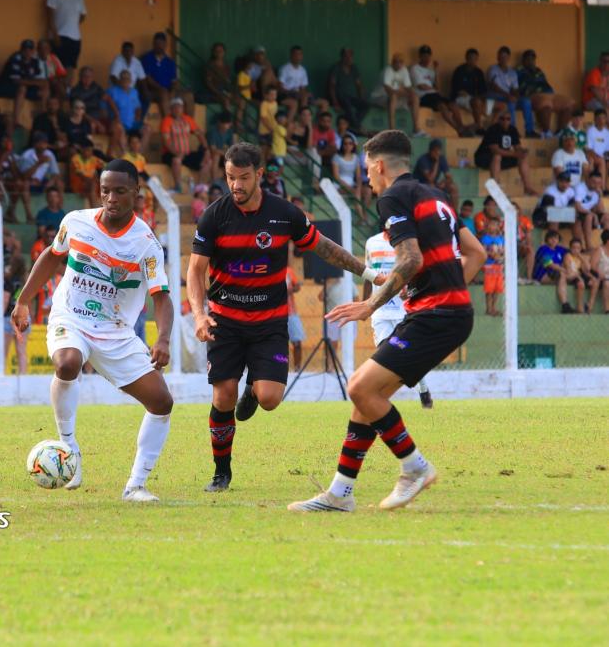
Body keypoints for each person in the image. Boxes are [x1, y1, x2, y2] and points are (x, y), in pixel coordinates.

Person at [289, 130, 486, 513]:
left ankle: (415, 467)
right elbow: (475, 252)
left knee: (360, 387)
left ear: (379, 166)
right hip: (448, 313)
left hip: (436, 315)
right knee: (368, 398)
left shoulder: (392, 196)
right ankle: (340, 494)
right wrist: (449, 288)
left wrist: (370, 305)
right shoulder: (436, 196)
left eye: (367, 169)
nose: (367, 177)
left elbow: (410, 260)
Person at [187, 142, 379, 493]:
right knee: (221, 397)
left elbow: (324, 247)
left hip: (269, 322)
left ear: (260, 175)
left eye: (243, 178)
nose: (236, 186)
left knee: (270, 399)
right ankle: (221, 471)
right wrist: (199, 315)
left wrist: (367, 273)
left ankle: (253, 387)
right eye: (230, 178)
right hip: (225, 322)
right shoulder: (215, 216)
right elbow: (195, 271)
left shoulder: (283, 214)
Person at [11, 159, 175, 502]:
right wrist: (24, 300)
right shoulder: (76, 222)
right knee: (67, 362)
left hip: (116, 332)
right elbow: (52, 257)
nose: (111, 197)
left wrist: (162, 339)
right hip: (71, 316)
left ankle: (135, 486)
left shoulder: (146, 244)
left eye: (119, 190)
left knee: (161, 402)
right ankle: (69, 452)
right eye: (105, 191)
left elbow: (161, 297)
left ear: (136, 193)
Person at [362, 230, 436, 407]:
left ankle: (423, 390)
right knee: (384, 353)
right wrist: (365, 303)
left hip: (404, 310)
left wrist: (410, 292)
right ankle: (381, 396)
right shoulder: (372, 242)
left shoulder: (409, 241)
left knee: (409, 354)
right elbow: (367, 273)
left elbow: (420, 273)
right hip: (380, 310)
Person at [474, 110, 538, 195]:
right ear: (498, 120)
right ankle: (495, 188)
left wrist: (522, 151)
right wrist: (515, 154)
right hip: (484, 157)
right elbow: (495, 150)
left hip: (502, 158)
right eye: (502, 119)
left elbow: (517, 147)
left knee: (522, 157)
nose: (505, 121)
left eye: (508, 119)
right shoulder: (493, 129)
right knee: (497, 156)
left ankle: (527, 187)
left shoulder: (512, 129)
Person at [411, 44, 465, 136]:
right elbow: (421, 86)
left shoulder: (431, 70)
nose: (427, 58)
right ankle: (458, 129)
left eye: (428, 56)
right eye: (424, 56)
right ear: (420, 56)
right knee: (442, 106)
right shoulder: (415, 68)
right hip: (423, 96)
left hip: (435, 95)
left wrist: (436, 70)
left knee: (453, 104)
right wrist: (433, 88)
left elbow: (438, 87)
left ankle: (462, 127)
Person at [46, 0, 86, 86]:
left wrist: (72, 24)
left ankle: (68, 91)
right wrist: (55, 34)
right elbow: (50, 16)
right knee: (58, 67)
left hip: (75, 37)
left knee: (71, 67)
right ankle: (58, 96)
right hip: (60, 36)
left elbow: (83, 15)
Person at [160, 97, 210, 191]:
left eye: (180, 107)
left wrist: (206, 149)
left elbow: (199, 134)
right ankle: (177, 186)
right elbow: (166, 142)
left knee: (207, 161)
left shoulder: (187, 119)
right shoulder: (167, 120)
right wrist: (176, 153)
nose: (178, 109)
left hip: (186, 153)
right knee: (177, 160)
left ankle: (198, 187)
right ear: (171, 109)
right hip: (170, 153)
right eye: (175, 107)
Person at [372, 52, 425, 135]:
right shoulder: (388, 70)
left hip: (395, 99)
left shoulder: (404, 70)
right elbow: (387, 88)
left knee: (415, 97)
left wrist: (412, 95)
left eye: (401, 62)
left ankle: (416, 129)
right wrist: (401, 93)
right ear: (392, 62)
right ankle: (392, 130)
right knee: (393, 96)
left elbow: (408, 87)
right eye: (396, 61)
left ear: (403, 63)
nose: (398, 64)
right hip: (379, 98)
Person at [488, 46, 534, 137]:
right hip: (497, 96)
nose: (502, 59)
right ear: (497, 57)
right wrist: (508, 96)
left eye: (505, 57)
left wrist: (516, 96)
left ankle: (529, 131)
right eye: (500, 56)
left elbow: (515, 89)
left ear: (508, 58)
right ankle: (512, 130)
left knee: (526, 101)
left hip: (508, 96)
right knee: (511, 102)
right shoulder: (493, 69)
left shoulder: (512, 72)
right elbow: (494, 86)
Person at [328, 47, 368, 133]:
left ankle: (352, 125)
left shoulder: (354, 68)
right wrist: (335, 102)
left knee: (365, 105)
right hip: (340, 96)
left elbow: (359, 85)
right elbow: (332, 86)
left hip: (351, 97)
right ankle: (358, 127)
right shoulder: (336, 68)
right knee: (348, 106)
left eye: (351, 56)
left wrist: (361, 98)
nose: (350, 58)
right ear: (342, 57)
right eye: (347, 56)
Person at [450, 48, 489, 133]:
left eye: (475, 59)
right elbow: (456, 89)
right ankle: (478, 127)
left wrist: (482, 100)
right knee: (476, 101)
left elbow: (483, 91)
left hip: (474, 99)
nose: (473, 61)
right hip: (461, 99)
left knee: (500, 106)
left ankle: (477, 126)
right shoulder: (459, 70)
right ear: (466, 58)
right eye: (470, 58)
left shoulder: (479, 72)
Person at [3, 256, 28, 374]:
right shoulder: (26, 282)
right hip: (23, 317)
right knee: (21, 351)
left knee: (4, 351)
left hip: (9, 316)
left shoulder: (9, 280)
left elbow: (6, 299)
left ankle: (1, 373)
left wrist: (0, 316)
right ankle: (23, 377)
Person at [413, 138, 456, 204]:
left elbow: (449, 176)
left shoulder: (441, 158)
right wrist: (436, 162)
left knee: (453, 187)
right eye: (435, 151)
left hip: (434, 184)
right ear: (430, 150)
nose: (437, 153)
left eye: (439, 150)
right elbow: (430, 179)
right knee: (431, 186)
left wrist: (443, 182)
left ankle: (453, 212)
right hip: (420, 184)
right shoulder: (423, 159)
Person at [561, 237, 594, 314]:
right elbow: (569, 271)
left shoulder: (581, 257)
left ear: (581, 248)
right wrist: (580, 278)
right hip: (571, 276)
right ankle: (580, 306)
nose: (576, 250)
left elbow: (588, 268)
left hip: (578, 275)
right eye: (574, 248)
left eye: (578, 248)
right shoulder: (568, 256)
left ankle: (589, 304)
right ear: (570, 248)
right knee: (581, 284)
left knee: (593, 282)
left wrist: (581, 257)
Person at [277, 45, 311, 121]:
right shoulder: (285, 68)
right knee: (298, 100)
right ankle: (301, 120)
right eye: (296, 54)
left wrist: (304, 93)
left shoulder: (303, 70)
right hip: (285, 94)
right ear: (291, 55)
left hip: (297, 94)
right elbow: (280, 87)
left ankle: (302, 119)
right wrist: (290, 92)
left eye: (300, 54)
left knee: (306, 96)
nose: (298, 57)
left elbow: (303, 88)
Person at [480, 217, 505, 317]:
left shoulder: (501, 238)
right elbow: (483, 250)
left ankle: (494, 308)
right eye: (491, 224)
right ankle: (488, 309)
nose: (493, 226)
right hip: (489, 266)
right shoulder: (485, 238)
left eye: (495, 224)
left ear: (498, 226)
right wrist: (491, 253)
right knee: (489, 289)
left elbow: (503, 250)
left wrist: (501, 256)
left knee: (497, 289)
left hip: (498, 265)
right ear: (487, 226)